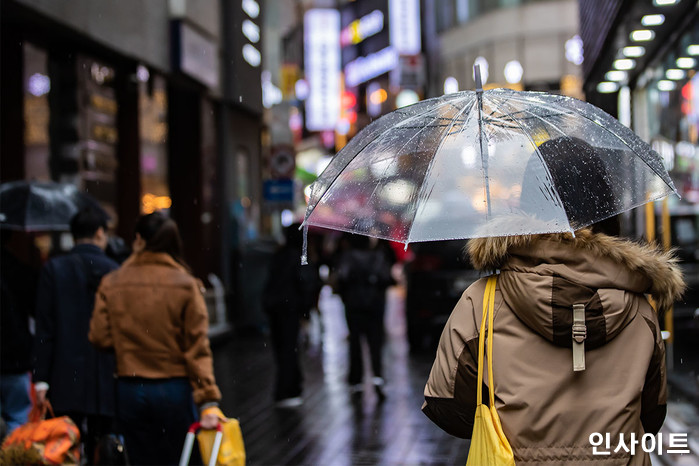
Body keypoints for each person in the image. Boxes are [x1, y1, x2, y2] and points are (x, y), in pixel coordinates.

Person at [422, 137, 685, 464]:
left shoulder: (482, 303)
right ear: (606, 206)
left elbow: (447, 406)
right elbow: (653, 414)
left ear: (527, 203)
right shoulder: (641, 310)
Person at [89, 211, 222, 465]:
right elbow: (197, 348)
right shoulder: (185, 283)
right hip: (173, 387)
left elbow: (99, 337)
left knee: (140, 458)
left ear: (138, 239)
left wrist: (129, 345)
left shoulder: (112, 282)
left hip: (129, 386)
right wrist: (207, 400)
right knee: (179, 457)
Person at [33, 207, 119, 462]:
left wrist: (41, 380)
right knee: (101, 446)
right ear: (100, 233)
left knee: (63, 445)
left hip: (64, 372)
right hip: (104, 372)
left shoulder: (54, 269)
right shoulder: (115, 270)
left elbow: (45, 327)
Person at [262, 223, 319, 407]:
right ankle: (287, 389)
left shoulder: (279, 255)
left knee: (282, 348)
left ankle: (289, 386)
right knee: (289, 348)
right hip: (290, 309)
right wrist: (305, 310)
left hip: (275, 307)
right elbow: (305, 284)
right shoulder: (299, 257)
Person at [335, 234, 395, 400]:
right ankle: (377, 378)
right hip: (375, 305)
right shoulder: (378, 256)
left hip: (354, 305)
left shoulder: (347, 257)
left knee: (355, 342)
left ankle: (356, 382)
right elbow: (386, 278)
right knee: (375, 343)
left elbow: (342, 278)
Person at [0, 231, 38, 434]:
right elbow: (35, 308)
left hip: (15, 356)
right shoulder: (19, 269)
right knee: (17, 419)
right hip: (16, 356)